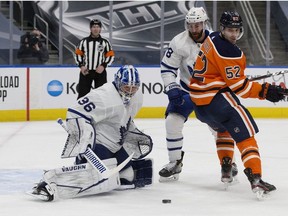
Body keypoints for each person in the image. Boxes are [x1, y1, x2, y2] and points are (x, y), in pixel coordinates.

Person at [189, 11, 286, 196]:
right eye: (230, 30)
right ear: (222, 29)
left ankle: (226, 169)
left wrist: (234, 79)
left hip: (200, 105)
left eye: (236, 30)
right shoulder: (230, 52)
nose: (233, 34)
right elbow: (240, 87)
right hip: (216, 99)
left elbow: (223, 74)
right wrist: (265, 91)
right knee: (246, 135)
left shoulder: (213, 38)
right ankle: (256, 178)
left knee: (224, 129)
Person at [29, 65, 153, 201]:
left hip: (116, 146)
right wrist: (85, 140)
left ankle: (95, 166)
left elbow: (124, 119)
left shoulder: (137, 97)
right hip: (99, 145)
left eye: (134, 88)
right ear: (118, 83)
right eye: (126, 87)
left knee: (127, 176)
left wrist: (133, 132)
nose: (130, 92)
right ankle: (48, 184)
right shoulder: (104, 96)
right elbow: (75, 113)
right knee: (98, 178)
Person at [158, 7, 239, 183]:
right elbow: (167, 68)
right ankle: (174, 162)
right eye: (191, 25)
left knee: (220, 127)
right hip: (186, 91)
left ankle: (229, 162)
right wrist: (171, 87)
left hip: (210, 93)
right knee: (172, 121)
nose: (194, 29)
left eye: (198, 25)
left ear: (204, 23)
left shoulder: (217, 41)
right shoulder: (178, 41)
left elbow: (228, 67)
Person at [75, 19, 115, 99]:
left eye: (97, 27)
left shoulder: (105, 42)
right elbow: (78, 55)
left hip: (100, 73)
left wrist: (103, 65)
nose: (96, 29)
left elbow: (110, 55)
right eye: (93, 27)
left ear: (100, 29)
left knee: (102, 96)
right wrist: (81, 66)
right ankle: (81, 111)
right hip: (86, 72)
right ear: (90, 28)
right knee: (82, 96)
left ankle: (101, 111)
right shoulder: (83, 42)